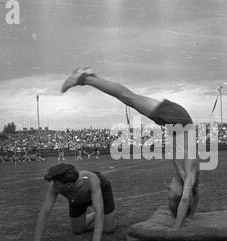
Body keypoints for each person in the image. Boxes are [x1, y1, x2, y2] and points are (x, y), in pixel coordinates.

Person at [61, 66, 199, 229]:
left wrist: (188, 210)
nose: (169, 188)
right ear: (182, 192)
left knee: (129, 98)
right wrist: (177, 226)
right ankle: (84, 78)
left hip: (175, 121)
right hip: (177, 119)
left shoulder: (183, 173)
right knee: (128, 98)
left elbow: (187, 196)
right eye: (171, 193)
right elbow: (185, 200)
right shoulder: (190, 176)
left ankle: (92, 77)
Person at [23, 163, 117, 241]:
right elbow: (45, 211)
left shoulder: (91, 180)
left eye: (57, 184)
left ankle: (109, 216)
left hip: (100, 190)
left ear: (68, 185)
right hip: (77, 197)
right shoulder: (56, 186)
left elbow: (98, 209)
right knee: (78, 230)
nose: (54, 186)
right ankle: (95, 215)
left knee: (109, 229)